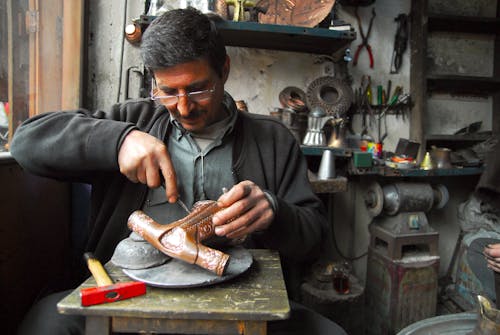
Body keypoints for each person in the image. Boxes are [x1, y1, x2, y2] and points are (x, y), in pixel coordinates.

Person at [11, 7, 346, 335]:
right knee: (44, 321)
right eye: (168, 92)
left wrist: (274, 211)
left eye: (197, 88)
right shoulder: (133, 121)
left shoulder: (273, 140)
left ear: (224, 70)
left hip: (239, 299)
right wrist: (118, 141)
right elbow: (25, 143)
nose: (183, 107)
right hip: (129, 295)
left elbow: (313, 237)